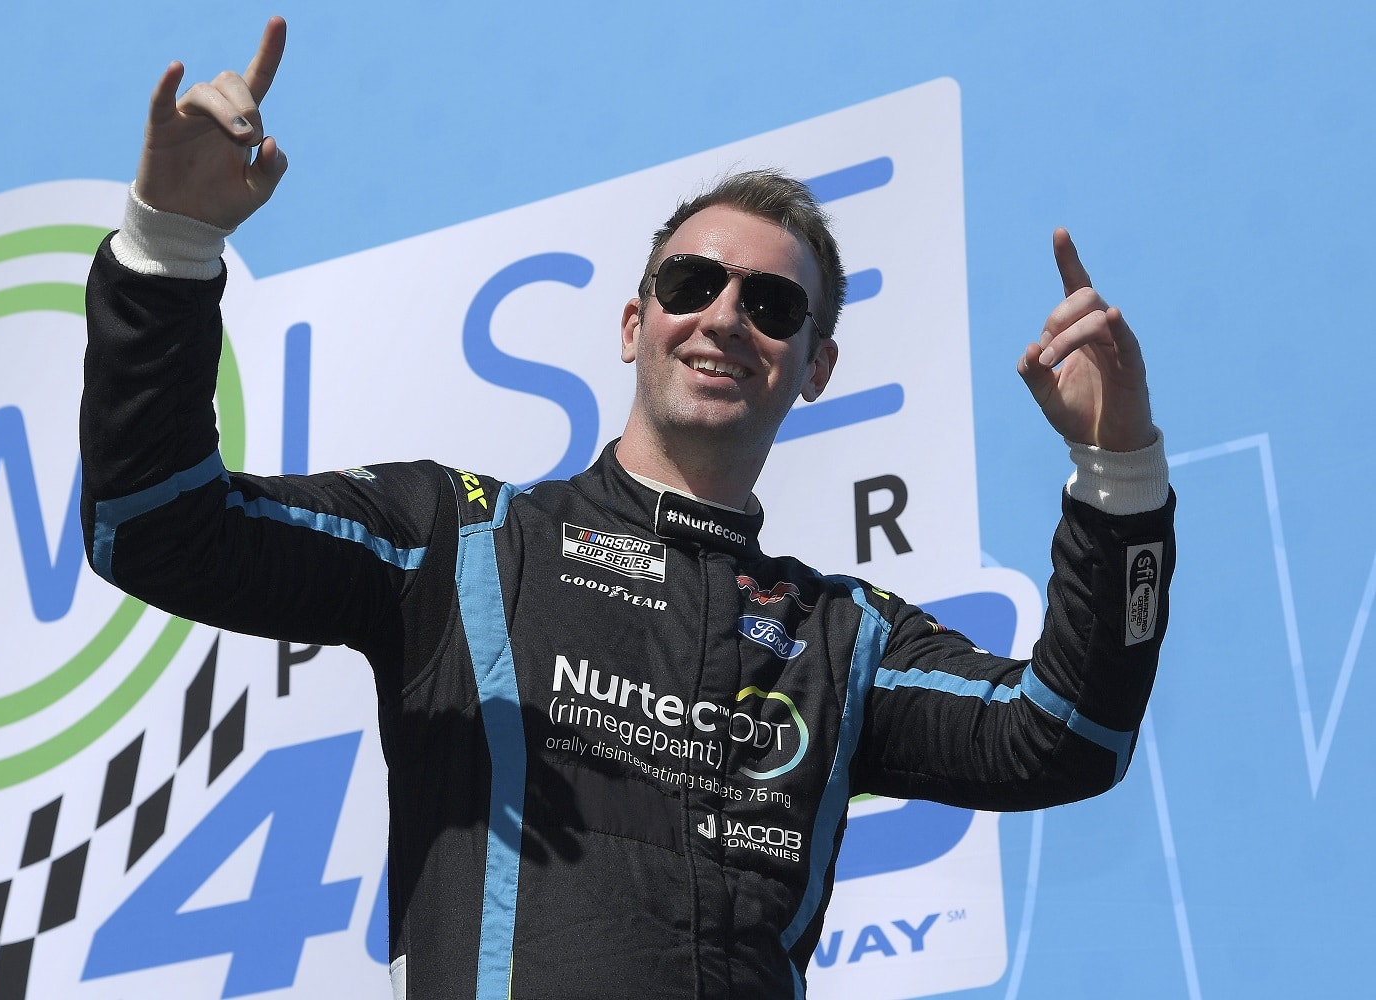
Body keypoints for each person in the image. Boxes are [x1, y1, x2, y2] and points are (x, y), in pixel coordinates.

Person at [80, 17, 1174, 1000]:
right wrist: (169, 251)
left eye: (774, 304)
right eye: (693, 285)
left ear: (816, 365)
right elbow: (155, 524)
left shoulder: (843, 641)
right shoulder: (456, 540)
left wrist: (1117, 477)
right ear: (632, 321)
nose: (726, 317)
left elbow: (1068, 734)